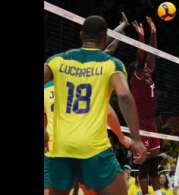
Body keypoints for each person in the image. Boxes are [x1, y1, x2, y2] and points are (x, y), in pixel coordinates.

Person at [44, 15, 147, 195]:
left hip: (60, 147)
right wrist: (136, 139)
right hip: (93, 148)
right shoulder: (111, 65)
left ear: (81, 35)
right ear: (105, 37)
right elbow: (124, 95)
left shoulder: (56, 61)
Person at [130, 16, 162, 195]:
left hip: (151, 122)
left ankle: (157, 193)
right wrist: (141, 37)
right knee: (143, 162)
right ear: (138, 70)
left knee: (154, 160)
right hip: (140, 124)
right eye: (146, 67)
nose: (150, 68)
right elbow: (142, 55)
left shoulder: (148, 74)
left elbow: (153, 53)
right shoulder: (137, 78)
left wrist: (153, 33)